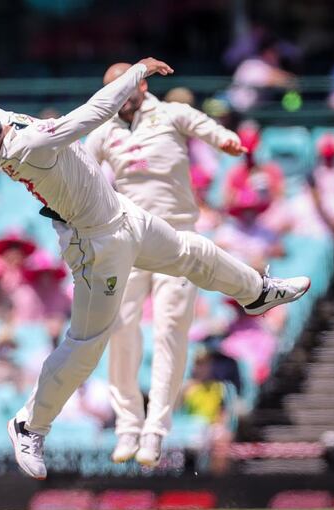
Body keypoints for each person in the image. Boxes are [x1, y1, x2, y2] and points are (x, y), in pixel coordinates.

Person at [0, 46, 310, 480]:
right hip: (97, 245)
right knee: (87, 344)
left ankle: (256, 293)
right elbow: (93, 114)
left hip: (123, 215)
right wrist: (136, 73)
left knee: (193, 252)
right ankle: (29, 425)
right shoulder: (25, 146)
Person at [84, 62, 245, 466]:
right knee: (119, 325)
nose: (119, 96)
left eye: (125, 87)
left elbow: (202, 124)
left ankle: (156, 428)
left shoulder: (169, 113)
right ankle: (127, 426)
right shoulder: (104, 130)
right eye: (111, 90)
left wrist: (225, 139)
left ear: (141, 85)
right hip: (129, 239)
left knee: (171, 328)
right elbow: (79, 171)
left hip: (177, 237)